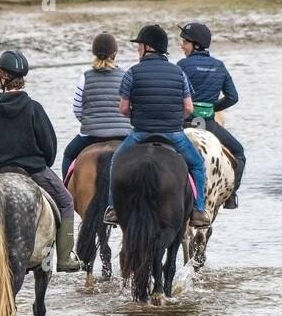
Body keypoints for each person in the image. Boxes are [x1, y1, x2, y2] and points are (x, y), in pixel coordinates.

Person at [0, 50, 83, 272]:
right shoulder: (34, 108)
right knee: (65, 201)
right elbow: (49, 146)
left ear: (3, 78)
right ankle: (64, 258)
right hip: (32, 171)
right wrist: (41, 162)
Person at [102, 26, 211, 228]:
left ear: (148, 47)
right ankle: (198, 210)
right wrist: (176, 118)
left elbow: (123, 108)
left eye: (139, 45)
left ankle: (113, 208)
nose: (138, 50)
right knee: (197, 165)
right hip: (174, 134)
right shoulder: (178, 72)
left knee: (116, 160)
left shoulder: (132, 73)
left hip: (141, 134)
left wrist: (135, 114)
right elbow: (188, 107)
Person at [178, 22, 245, 209]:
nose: (182, 46)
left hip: (185, 124)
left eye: (185, 42)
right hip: (209, 124)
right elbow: (233, 97)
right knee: (239, 153)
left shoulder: (182, 65)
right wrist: (212, 108)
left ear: (196, 44)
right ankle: (231, 197)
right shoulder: (219, 66)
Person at [60, 32, 133, 181]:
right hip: (123, 133)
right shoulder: (126, 76)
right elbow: (130, 108)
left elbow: (77, 109)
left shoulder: (85, 77)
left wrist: (89, 121)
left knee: (68, 154)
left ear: (94, 52)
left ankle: (66, 196)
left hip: (91, 134)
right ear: (115, 53)